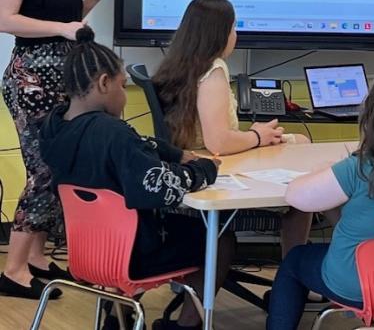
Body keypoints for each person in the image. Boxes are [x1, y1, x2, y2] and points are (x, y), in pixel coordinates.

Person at [39, 26, 234, 330]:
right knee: (217, 239)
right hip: (132, 254)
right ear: (104, 83)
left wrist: (172, 153)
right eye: (122, 85)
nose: (124, 95)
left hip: (87, 251)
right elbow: (157, 187)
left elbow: (136, 146)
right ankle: (185, 326)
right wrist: (202, 171)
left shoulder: (55, 128)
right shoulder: (112, 132)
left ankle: (118, 317)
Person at [0, 0, 108, 299]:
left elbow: (65, 22)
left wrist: (89, 4)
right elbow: (7, 19)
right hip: (31, 78)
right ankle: (12, 270)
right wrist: (64, 27)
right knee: (42, 169)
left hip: (59, 75)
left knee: (57, 165)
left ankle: (37, 259)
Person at [153, 0, 312, 257]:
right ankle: (292, 275)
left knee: (298, 143)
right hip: (214, 164)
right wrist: (258, 136)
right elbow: (219, 142)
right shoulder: (213, 71)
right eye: (233, 27)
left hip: (191, 161)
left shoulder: (177, 64)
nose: (236, 34)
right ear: (220, 34)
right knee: (303, 180)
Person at [266, 77, 374, 330]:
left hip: (354, 283)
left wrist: (322, 172)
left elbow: (296, 197)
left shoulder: (357, 169)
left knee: (294, 260)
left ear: (370, 124)